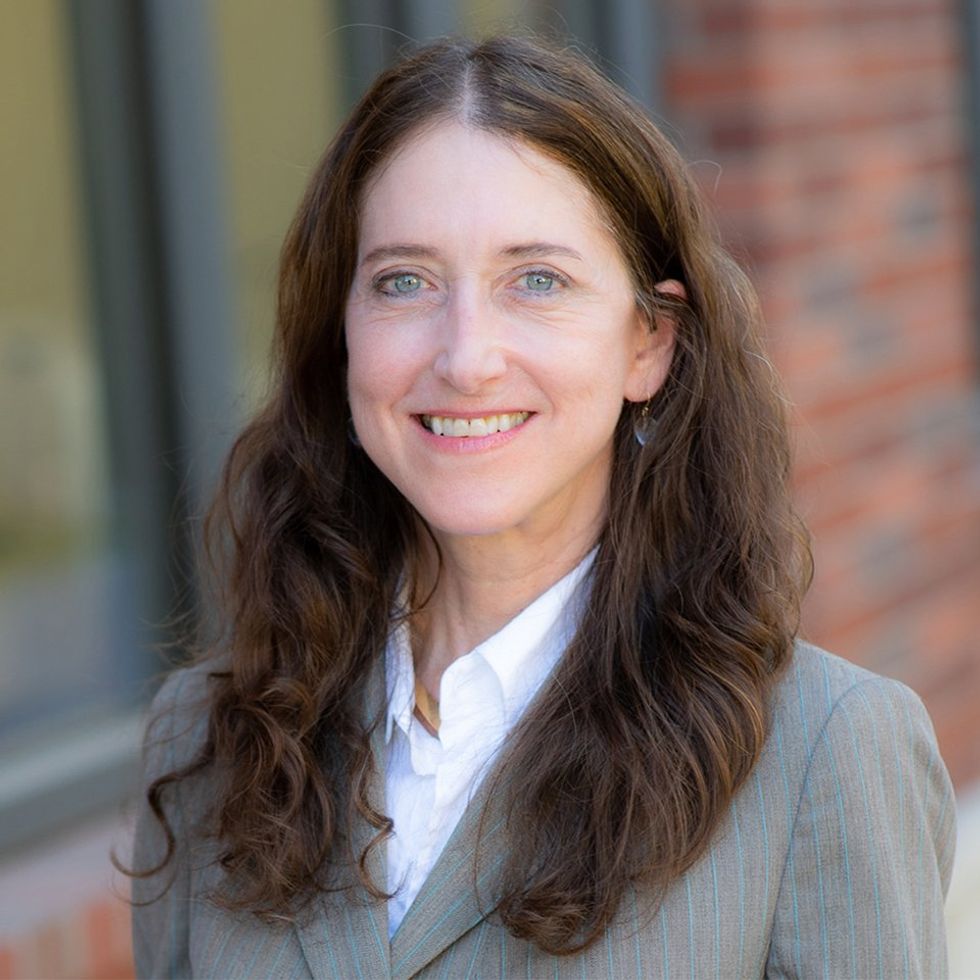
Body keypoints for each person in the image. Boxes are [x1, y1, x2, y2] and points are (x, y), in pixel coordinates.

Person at [129, 34, 955, 979]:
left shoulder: (827, 753)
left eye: (538, 281)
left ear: (649, 343)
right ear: (342, 335)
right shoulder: (206, 738)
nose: (466, 356)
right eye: (404, 281)